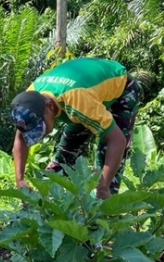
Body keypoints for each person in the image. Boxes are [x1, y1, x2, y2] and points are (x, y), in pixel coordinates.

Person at [10, 57, 141, 199]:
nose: (39, 135)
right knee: (65, 153)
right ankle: (44, 200)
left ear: (49, 106)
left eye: (41, 127)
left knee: (106, 166)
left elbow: (118, 140)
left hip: (120, 87)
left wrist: (102, 186)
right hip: (84, 91)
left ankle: (100, 209)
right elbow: (20, 137)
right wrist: (20, 179)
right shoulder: (30, 98)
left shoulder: (78, 100)